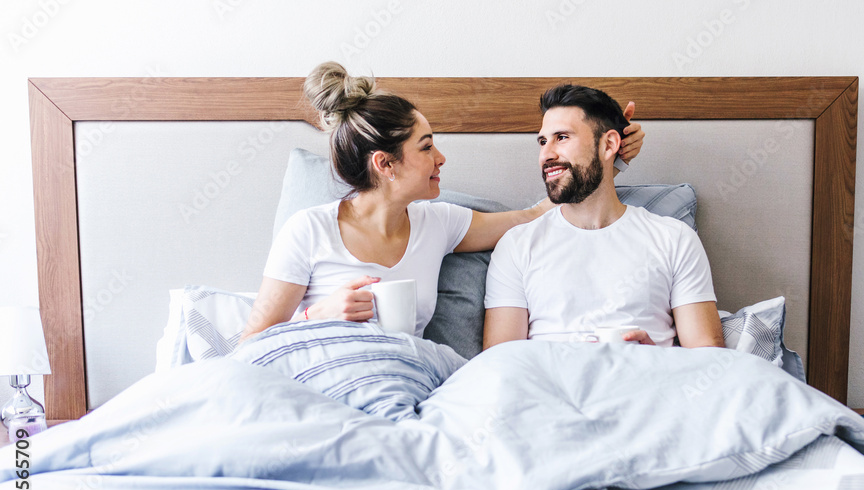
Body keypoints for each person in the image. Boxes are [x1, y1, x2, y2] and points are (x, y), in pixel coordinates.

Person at [239, 63, 645, 342]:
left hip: (401, 380)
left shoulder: (439, 224)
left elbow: (535, 215)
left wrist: (609, 159)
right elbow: (251, 346)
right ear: (386, 164)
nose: (441, 158)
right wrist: (315, 316)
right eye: (427, 147)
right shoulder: (309, 230)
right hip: (318, 374)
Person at [483, 84, 725, 350]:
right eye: (543, 141)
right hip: (552, 387)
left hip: (649, 383)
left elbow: (707, 356)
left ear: (609, 144)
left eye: (562, 137)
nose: (546, 154)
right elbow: (500, 362)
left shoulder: (674, 238)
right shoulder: (517, 245)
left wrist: (656, 357)